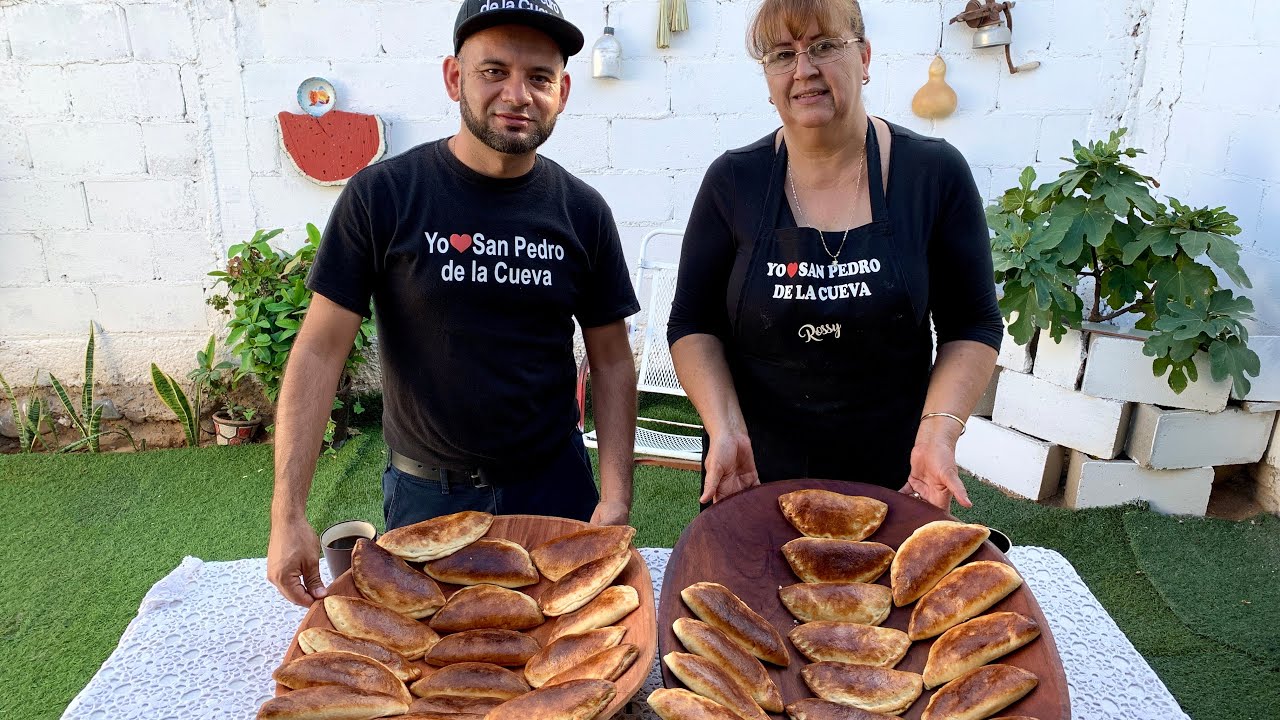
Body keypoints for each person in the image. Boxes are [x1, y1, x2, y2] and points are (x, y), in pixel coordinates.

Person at [267, 0, 641, 607]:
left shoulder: (582, 210)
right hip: (427, 500)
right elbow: (318, 351)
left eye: (539, 78)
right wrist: (288, 514)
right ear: (453, 77)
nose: (517, 94)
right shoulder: (383, 196)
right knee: (434, 675)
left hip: (556, 493)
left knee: (560, 677)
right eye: (494, 71)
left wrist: (616, 492)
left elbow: (613, 359)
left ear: (563, 91)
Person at [667, 0, 1002, 512]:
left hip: (897, 475)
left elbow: (972, 324)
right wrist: (725, 428)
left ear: (864, 58)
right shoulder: (733, 181)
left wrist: (938, 434)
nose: (804, 70)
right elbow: (693, 323)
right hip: (753, 472)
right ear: (768, 76)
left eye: (824, 47)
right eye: (782, 54)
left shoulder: (932, 175)